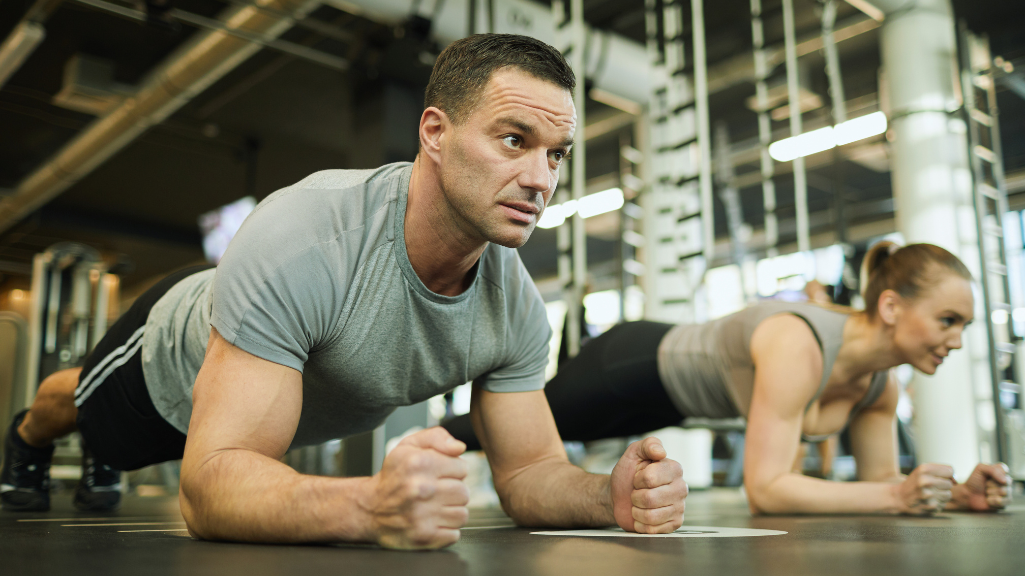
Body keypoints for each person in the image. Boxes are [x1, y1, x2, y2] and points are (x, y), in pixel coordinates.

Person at [0, 34, 688, 547]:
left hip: (245, 394)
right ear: (435, 134)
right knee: (77, 406)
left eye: (555, 153)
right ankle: (25, 439)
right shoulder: (305, 237)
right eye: (514, 140)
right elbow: (209, 486)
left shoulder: (514, 314)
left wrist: (608, 496)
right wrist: (371, 505)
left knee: (107, 449)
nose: (541, 179)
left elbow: (530, 470)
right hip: (168, 359)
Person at [445, 241, 1013, 515]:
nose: (957, 339)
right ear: (890, 307)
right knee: (491, 429)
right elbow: (765, 489)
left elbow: (885, 482)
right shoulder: (798, 344)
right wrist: (896, 494)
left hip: (671, 405)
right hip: (632, 366)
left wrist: (954, 494)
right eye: (948, 320)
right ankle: (426, 440)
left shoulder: (877, 385)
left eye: (962, 325)